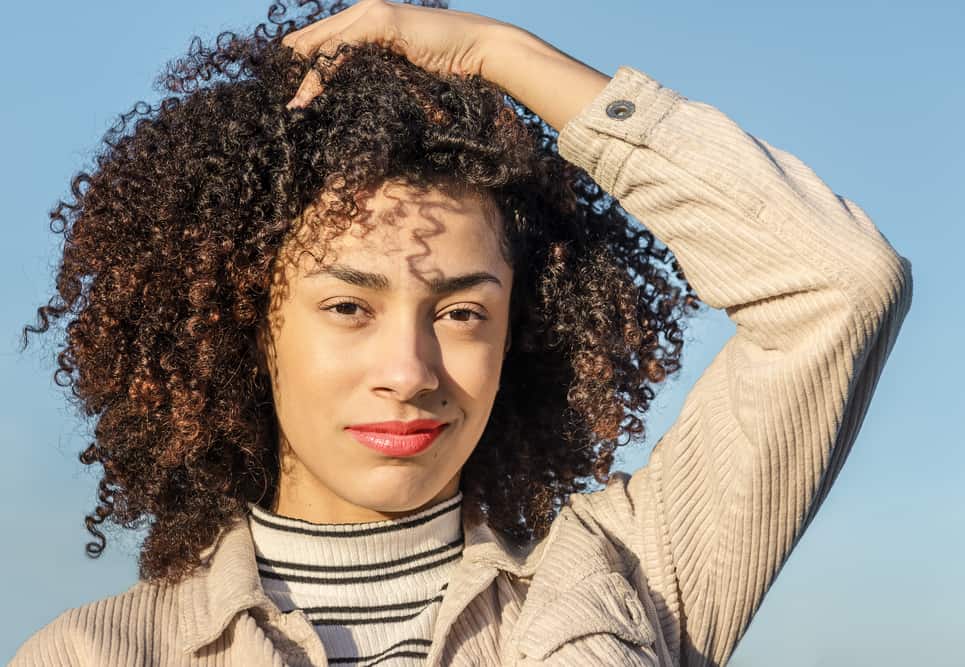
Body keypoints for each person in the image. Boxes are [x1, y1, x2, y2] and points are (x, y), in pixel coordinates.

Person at [12, 0, 912, 665]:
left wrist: (499, 52)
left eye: (460, 312)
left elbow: (840, 280)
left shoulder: (633, 579)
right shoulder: (95, 653)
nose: (409, 370)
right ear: (250, 328)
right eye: (348, 306)